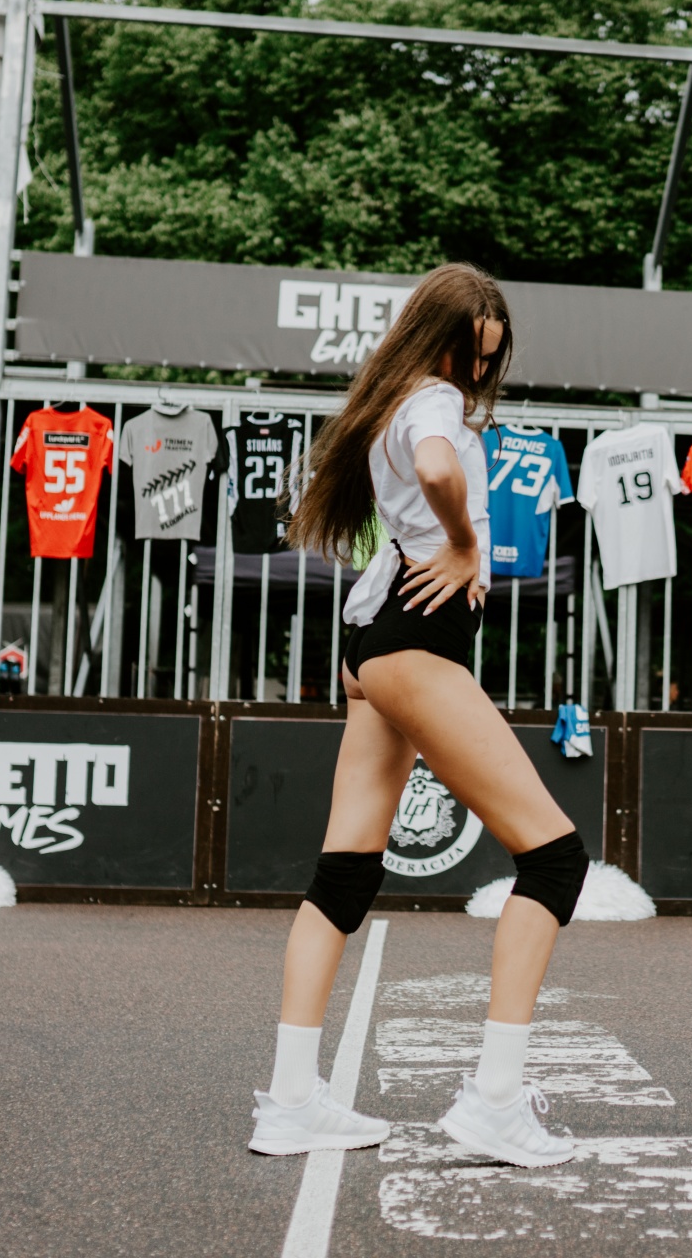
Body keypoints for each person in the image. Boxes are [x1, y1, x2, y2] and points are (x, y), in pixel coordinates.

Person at [251, 264, 589, 1168]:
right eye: (472, 353)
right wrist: (468, 543)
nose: (478, 372)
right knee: (555, 859)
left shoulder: (391, 402)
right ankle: (495, 1101)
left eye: (489, 358)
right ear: (440, 342)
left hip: (381, 638)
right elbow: (439, 471)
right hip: (416, 642)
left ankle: (290, 1101)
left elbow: (401, 525)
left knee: (344, 877)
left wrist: (373, 634)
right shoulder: (433, 403)